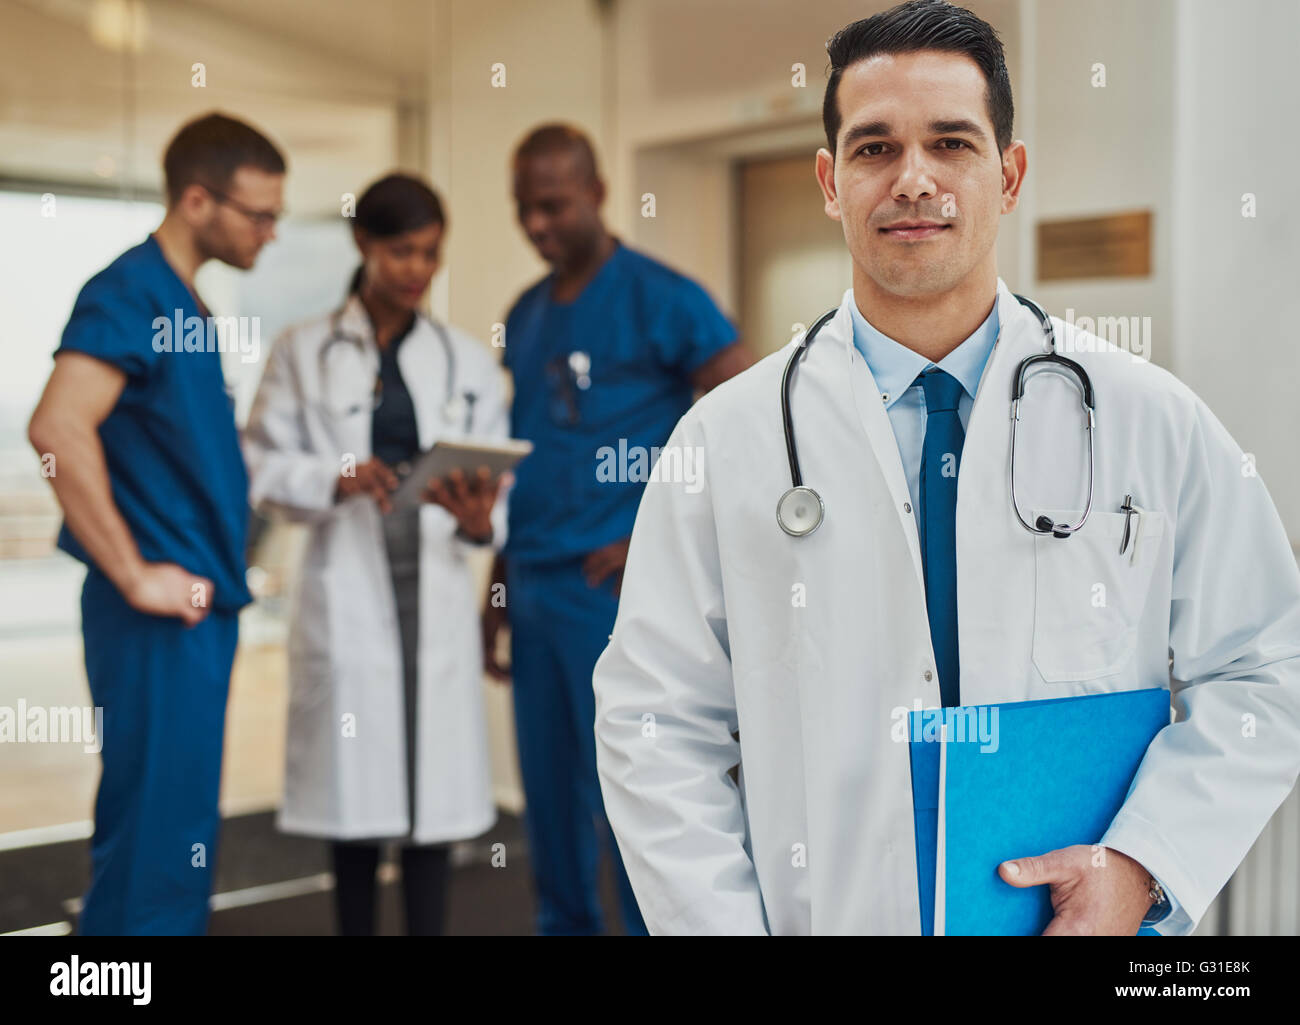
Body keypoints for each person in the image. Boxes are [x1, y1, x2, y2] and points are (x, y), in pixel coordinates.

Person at [591, 0, 1300, 935]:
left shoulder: (1150, 418)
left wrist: (1143, 864)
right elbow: (654, 724)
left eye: (952, 144)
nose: (913, 181)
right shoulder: (726, 440)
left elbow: (1265, 667)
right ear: (830, 181)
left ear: (1008, 175)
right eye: (875, 147)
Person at [480, 124, 752, 935]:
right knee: (549, 793)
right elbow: (529, 457)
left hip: (613, 587)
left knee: (633, 789)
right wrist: (496, 583)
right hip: (532, 580)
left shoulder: (663, 297)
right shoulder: (524, 314)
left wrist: (654, 541)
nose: (537, 225)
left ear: (597, 193)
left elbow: (743, 424)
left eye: (554, 205)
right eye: (524, 209)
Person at [27, 112, 286, 934]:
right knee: (152, 847)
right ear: (198, 199)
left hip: (194, 611)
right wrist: (136, 572)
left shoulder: (186, 306)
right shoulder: (130, 291)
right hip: (155, 614)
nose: (271, 233)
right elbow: (57, 428)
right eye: (259, 214)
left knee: (171, 841)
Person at [243, 173, 510, 936]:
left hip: (433, 594)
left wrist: (478, 519)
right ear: (364, 243)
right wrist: (336, 476)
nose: (418, 270)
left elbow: (496, 496)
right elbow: (260, 466)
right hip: (350, 592)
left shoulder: (464, 360)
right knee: (355, 810)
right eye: (401, 252)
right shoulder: (302, 350)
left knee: (434, 809)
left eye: (430, 254)